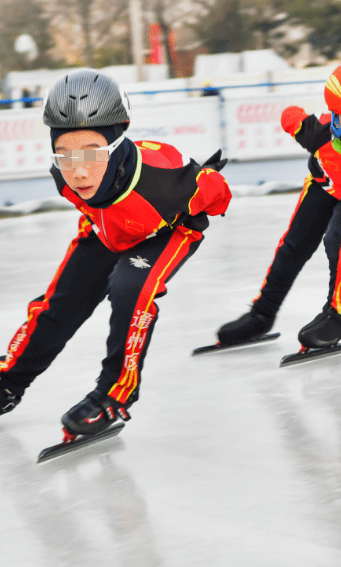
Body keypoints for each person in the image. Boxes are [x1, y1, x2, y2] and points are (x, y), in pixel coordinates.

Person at [0, 69, 231, 439]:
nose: (79, 171)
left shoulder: (166, 181)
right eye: (65, 154)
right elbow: (89, 202)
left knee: (130, 290)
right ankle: (9, 381)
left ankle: (114, 394)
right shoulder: (64, 177)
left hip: (166, 228)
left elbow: (217, 193)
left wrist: (200, 192)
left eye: (92, 153)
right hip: (109, 227)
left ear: (116, 141)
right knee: (61, 303)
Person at [217, 59, 341, 349]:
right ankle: (262, 314)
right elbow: (292, 117)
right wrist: (293, 118)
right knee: (294, 246)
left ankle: (338, 316)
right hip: (324, 186)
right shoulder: (316, 134)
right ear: (336, 118)